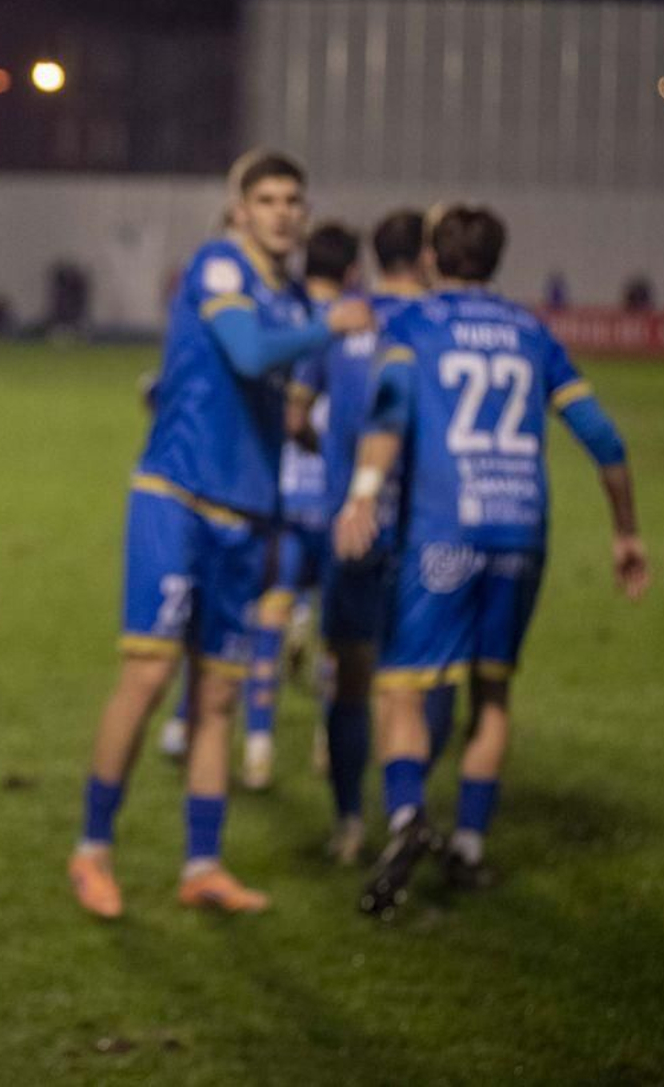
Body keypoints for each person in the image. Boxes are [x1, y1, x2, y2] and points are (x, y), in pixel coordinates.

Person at [68, 150, 371, 917]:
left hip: (247, 518)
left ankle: (202, 864)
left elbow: (279, 391)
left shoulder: (291, 294)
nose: (281, 211)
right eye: (265, 198)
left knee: (217, 700)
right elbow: (247, 353)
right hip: (177, 502)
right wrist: (328, 324)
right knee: (146, 678)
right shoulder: (220, 270)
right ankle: (92, 849)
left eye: (292, 199)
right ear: (239, 210)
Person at [335, 205, 648, 916]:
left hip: (444, 535)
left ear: (432, 258)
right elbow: (604, 438)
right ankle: (470, 846)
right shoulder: (532, 331)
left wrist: (362, 492)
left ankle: (410, 817)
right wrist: (626, 532)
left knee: (404, 686)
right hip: (520, 536)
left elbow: (388, 409)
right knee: (493, 692)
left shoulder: (413, 324)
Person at [306, 209, 430, 864]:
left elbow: (299, 412)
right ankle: (410, 812)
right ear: (426, 257)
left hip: (348, 520)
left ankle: (350, 823)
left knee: (351, 674)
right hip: (423, 527)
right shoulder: (434, 325)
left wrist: (329, 459)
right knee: (417, 678)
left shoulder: (344, 321)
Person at [240, 221, 361, 792]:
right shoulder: (361, 327)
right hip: (337, 502)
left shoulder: (281, 317)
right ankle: (324, 740)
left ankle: (258, 747)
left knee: (266, 616)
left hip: (279, 500)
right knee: (340, 632)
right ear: (353, 271)